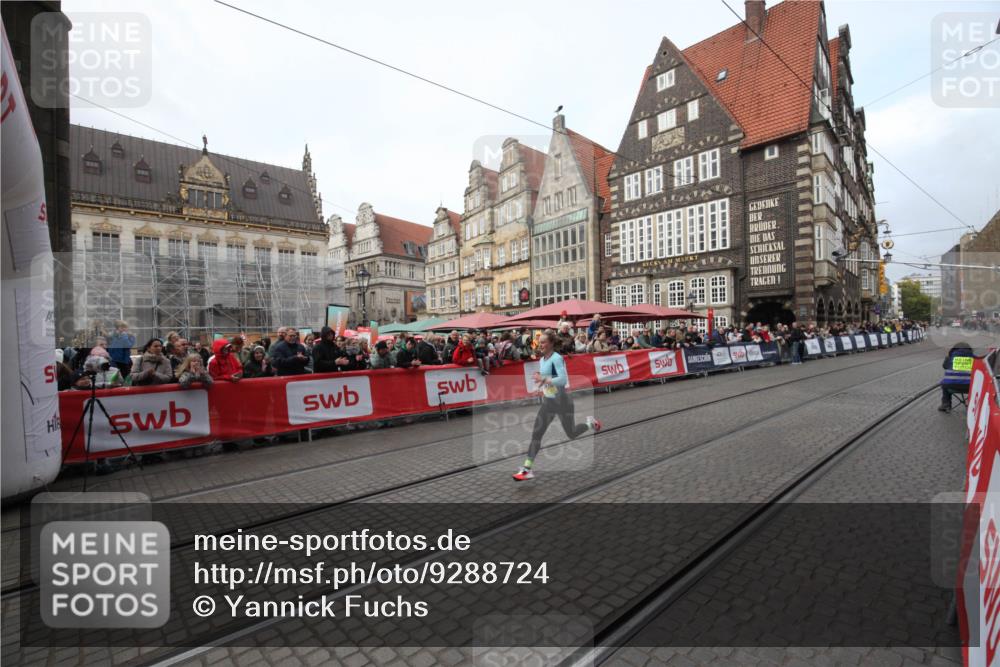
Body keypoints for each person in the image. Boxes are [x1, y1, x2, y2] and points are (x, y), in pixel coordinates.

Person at [513, 331, 602, 481]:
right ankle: (527, 469)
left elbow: (561, 380)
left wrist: (543, 378)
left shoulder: (557, 358)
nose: (540, 345)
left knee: (571, 433)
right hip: (549, 402)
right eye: (539, 342)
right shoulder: (542, 360)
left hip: (562, 402)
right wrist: (541, 385)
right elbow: (550, 380)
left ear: (551, 344)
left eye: (543, 342)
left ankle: (590, 423)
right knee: (536, 434)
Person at [939, 342, 975, 412]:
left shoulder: (950, 358)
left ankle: (946, 404)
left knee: (944, 384)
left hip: (951, 387)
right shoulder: (974, 359)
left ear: (953, 350)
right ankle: (971, 403)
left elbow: (944, 366)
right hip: (969, 388)